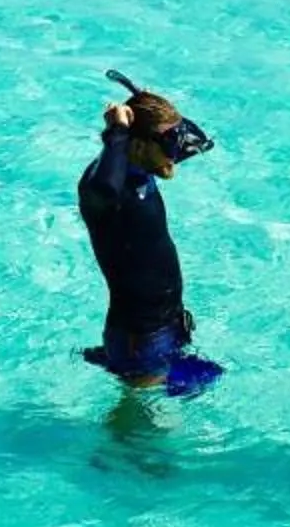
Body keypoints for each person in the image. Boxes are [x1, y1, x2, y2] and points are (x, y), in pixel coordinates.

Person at [76, 71, 215, 391]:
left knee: (195, 394)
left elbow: (184, 139)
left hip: (168, 324)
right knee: (139, 436)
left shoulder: (143, 166)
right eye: (169, 143)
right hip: (140, 338)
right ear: (135, 143)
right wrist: (118, 130)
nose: (176, 153)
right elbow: (105, 185)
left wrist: (149, 109)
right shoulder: (104, 190)